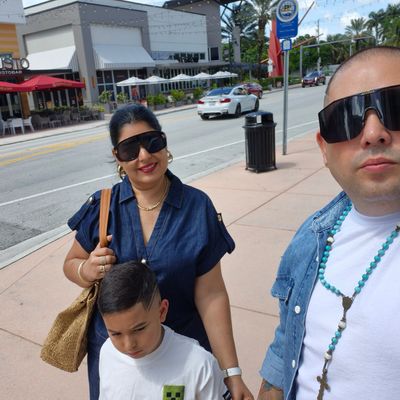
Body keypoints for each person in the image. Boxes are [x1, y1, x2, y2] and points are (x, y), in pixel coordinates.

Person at [63, 104, 253, 400]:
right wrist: (85, 270)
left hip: (180, 361)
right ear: (117, 157)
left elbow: (211, 294)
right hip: (118, 356)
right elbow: (71, 263)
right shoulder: (103, 206)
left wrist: (231, 373)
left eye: (152, 142)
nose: (144, 156)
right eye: (130, 148)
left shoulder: (197, 207)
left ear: (164, 143)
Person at [257, 45, 400, 400]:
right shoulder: (313, 236)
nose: (373, 133)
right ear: (323, 148)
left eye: (396, 106)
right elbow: (285, 347)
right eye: (346, 117)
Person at [98, 260, 232, 399]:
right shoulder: (108, 353)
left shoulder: (199, 365)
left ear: (162, 311)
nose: (129, 345)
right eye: (116, 334)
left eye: (139, 329)